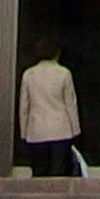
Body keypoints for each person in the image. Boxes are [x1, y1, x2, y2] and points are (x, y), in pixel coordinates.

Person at [17, 41, 83, 179]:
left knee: (39, 173)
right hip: (61, 130)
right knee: (58, 174)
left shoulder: (29, 74)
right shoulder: (64, 73)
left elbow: (24, 106)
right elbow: (71, 104)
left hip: (36, 131)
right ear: (57, 53)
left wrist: (23, 132)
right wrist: (76, 131)